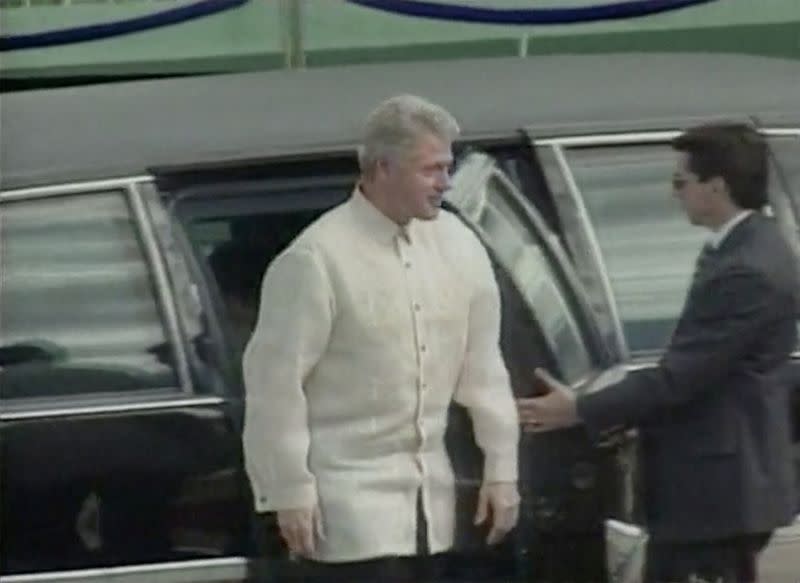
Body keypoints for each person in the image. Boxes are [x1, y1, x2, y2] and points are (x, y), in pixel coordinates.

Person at [242, 94, 520, 582]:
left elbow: (484, 369)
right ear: (383, 169)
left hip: (433, 504)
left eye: (447, 168)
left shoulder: (460, 243)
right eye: (431, 170)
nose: (445, 183)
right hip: (343, 510)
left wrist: (502, 469)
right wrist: (289, 490)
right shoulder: (316, 259)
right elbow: (275, 387)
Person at [518, 123, 799, 583]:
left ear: (717, 186)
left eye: (680, 182)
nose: (675, 195)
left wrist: (579, 408)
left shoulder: (747, 270)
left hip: (716, 492)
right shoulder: (747, 250)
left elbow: (681, 378)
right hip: (717, 488)